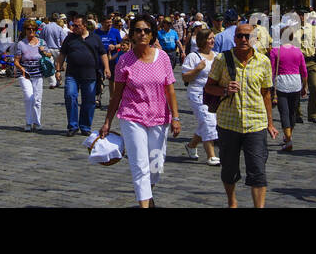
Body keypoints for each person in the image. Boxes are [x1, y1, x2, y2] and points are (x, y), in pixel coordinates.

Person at [98, 13, 180, 207]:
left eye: (146, 30)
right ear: (132, 34)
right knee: (140, 164)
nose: (142, 34)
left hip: (159, 116)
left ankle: (148, 194)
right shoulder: (124, 61)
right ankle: (144, 203)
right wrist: (108, 121)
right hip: (132, 116)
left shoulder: (163, 58)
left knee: (156, 164)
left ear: (152, 34)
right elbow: (117, 95)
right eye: (138, 30)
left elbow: (170, 90)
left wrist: (176, 117)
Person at [209, 22, 278, 207]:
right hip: (228, 123)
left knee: (258, 170)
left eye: (248, 36)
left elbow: (266, 93)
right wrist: (224, 89)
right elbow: (209, 87)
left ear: (255, 39)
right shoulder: (222, 59)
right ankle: (232, 201)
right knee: (229, 169)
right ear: (234, 38)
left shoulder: (263, 61)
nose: (243, 39)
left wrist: (270, 123)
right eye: (240, 36)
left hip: (256, 123)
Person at [59, 12, 107, 136]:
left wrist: (107, 68)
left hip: (90, 74)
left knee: (89, 101)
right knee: (70, 96)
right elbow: (62, 54)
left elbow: (103, 53)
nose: (73, 28)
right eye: (73, 25)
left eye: (77, 25)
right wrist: (57, 70)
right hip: (72, 74)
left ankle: (85, 126)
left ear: (84, 25)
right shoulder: (69, 38)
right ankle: (73, 126)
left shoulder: (95, 38)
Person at [181, 28, 219, 164]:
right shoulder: (193, 56)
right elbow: (185, 77)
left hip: (213, 94)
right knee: (209, 122)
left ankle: (191, 145)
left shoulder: (217, 56)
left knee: (206, 121)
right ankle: (211, 155)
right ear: (202, 40)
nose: (212, 41)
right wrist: (197, 69)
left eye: (213, 38)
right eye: (209, 38)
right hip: (197, 93)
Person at [270, 22, 305, 152]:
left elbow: (271, 70)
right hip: (296, 83)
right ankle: (288, 135)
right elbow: (304, 71)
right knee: (292, 112)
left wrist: (270, 86)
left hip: (281, 84)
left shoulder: (275, 51)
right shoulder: (298, 51)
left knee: (284, 112)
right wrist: (305, 86)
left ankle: (288, 138)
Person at [12, 20, 47, 131]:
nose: (31, 31)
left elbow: (49, 54)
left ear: (36, 30)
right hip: (25, 74)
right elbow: (16, 60)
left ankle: (37, 122)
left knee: (37, 99)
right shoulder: (21, 44)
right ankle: (28, 122)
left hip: (38, 73)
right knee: (29, 97)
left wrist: (44, 52)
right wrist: (21, 68)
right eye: (28, 29)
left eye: (33, 29)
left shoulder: (41, 42)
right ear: (25, 30)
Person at [298, 11, 316, 123]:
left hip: (311, 62)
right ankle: (296, 113)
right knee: (296, 88)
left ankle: (313, 114)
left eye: (304, 15)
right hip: (297, 63)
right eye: (300, 15)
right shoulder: (292, 30)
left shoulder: (314, 29)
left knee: (315, 85)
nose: (302, 17)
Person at [40, 14, 68, 88]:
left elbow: (41, 39)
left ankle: (52, 82)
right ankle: (58, 80)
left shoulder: (45, 27)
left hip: (47, 49)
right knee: (57, 66)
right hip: (57, 49)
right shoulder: (59, 28)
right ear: (57, 19)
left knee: (50, 65)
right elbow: (63, 40)